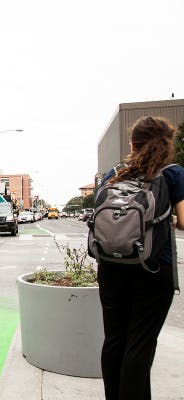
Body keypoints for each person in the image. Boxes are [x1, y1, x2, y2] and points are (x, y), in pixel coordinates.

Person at [98, 116, 184, 400]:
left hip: (111, 266)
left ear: (132, 144)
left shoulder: (114, 173)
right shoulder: (172, 173)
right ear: (166, 143)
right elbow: (183, 221)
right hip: (153, 268)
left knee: (114, 341)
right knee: (140, 345)